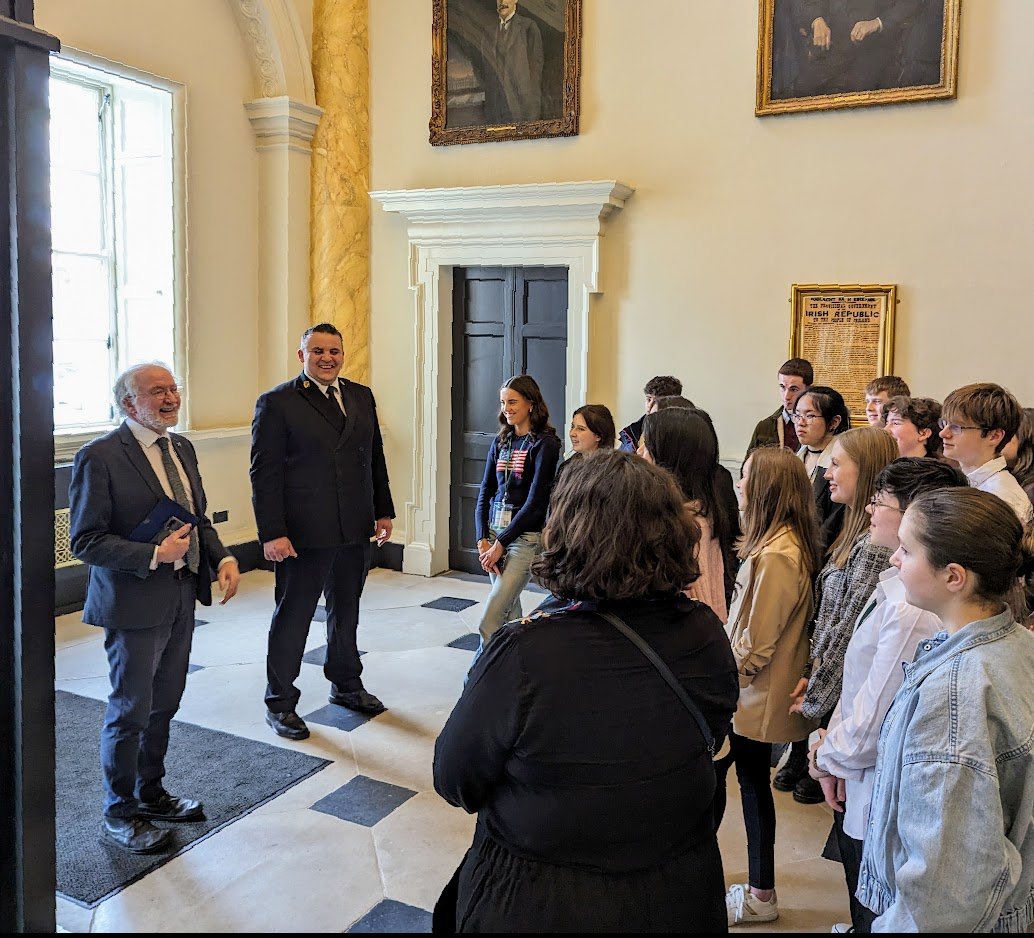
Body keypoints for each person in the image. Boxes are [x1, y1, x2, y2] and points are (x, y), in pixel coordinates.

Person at [432, 450, 739, 933]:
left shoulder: (525, 652)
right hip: (679, 887)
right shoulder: (704, 631)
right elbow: (712, 731)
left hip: (545, 896)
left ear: (570, 532)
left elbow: (455, 778)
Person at [69, 362, 241, 854]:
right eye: (156, 391)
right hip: (132, 602)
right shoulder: (99, 457)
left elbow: (195, 517)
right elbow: (85, 540)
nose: (170, 398)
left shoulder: (181, 447)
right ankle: (118, 813)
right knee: (130, 710)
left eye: (173, 389)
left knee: (164, 704)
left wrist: (223, 555)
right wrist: (151, 554)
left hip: (181, 595)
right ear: (129, 404)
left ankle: (151, 794)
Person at [856, 488, 1034, 932]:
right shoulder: (1016, 644)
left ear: (954, 576)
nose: (895, 559)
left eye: (907, 549)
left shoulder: (954, 695)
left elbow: (944, 887)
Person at [808, 458, 967, 933]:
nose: (871, 510)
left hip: (877, 779)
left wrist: (826, 755)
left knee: (874, 892)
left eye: (882, 502)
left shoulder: (911, 609)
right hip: (854, 769)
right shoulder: (898, 585)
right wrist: (833, 754)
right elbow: (859, 689)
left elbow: (875, 721)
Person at [251, 323, 395, 742]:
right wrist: (272, 533)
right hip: (303, 533)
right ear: (302, 357)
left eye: (334, 350)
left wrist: (383, 510)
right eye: (317, 351)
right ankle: (280, 702)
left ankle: (346, 684)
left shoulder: (360, 395)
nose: (327, 358)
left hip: (354, 526)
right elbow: (264, 473)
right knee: (293, 617)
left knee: (345, 612)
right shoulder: (277, 402)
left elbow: (375, 458)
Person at [716, 447, 822, 927]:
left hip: (754, 693)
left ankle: (761, 893)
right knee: (743, 785)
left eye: (745, 479)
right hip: (750, 691)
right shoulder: (775, 542)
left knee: (752, 790)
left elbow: (756, 644)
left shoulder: (780, 553)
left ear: (766, 490)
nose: (739, 487)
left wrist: (718, 685)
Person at [474, 375, 561, 646]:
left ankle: (480, 681)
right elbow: (485, 492)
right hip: (494, 535)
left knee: (489, 622)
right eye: (503, 403)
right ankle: (518, 671)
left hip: (522, 539)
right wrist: (482, 539)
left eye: (512, 402)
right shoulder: (501, 441)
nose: (506, 408)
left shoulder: (546, 444)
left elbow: (536, 504)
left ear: (531, 404)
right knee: (510, 614)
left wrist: (500, 543)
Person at [639, 408, 737, 622]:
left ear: (669, 458)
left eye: (648, 447)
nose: (640, 454)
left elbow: (696, 606)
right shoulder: (698, 512)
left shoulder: (686, 526)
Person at [939, 382, 1033, 526]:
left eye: (956, 427)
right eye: (944, 423)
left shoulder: (1003, 497)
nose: (943, 433)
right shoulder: (956, 479)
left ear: (994, 436)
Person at [478, 0, 543, 125]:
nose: (502, 2)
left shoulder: (528, 27)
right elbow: (483, 70)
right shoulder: (488, 32)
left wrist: (532, 110)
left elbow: (536, 73)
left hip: (522, 107)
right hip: (496, 109)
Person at [745, 357, 813, 455]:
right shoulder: (764, 427)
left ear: (808, 389)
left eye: (793, 389)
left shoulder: (817, 425)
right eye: (782, 387)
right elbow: (747, 468)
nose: (786, 396)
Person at [617, 374, 683, 453]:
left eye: (656, 401)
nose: (650, 405)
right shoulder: (631, 431)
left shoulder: (680, 437)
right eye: (648, 399)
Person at [555, 404, 615, 485]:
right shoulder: (566, 467)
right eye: (572, 426)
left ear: (598, 435)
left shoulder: (614, 472)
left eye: (581, 429)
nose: (572, 433)